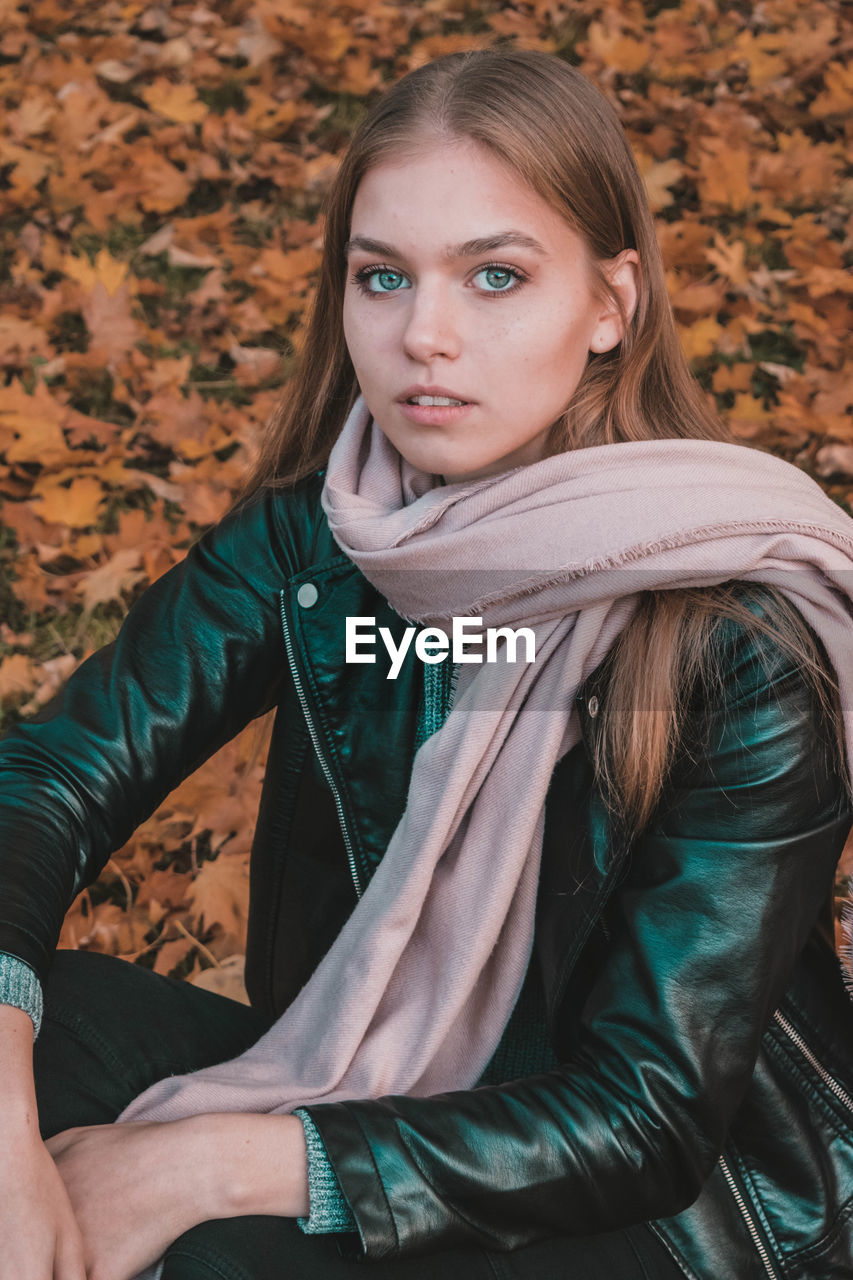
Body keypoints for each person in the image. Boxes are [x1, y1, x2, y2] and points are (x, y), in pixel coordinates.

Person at [1, 47, 853, 1280]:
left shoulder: (735, 635)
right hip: (368, 1072)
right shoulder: (325, 543)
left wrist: (208, 1160)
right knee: (43, 1025)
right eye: (382, 277)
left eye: (494, 277)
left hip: (670, 1203)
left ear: (611, 304)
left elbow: (646, 1114)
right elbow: (48, 779)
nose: (425, 337)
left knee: (221, 1244)